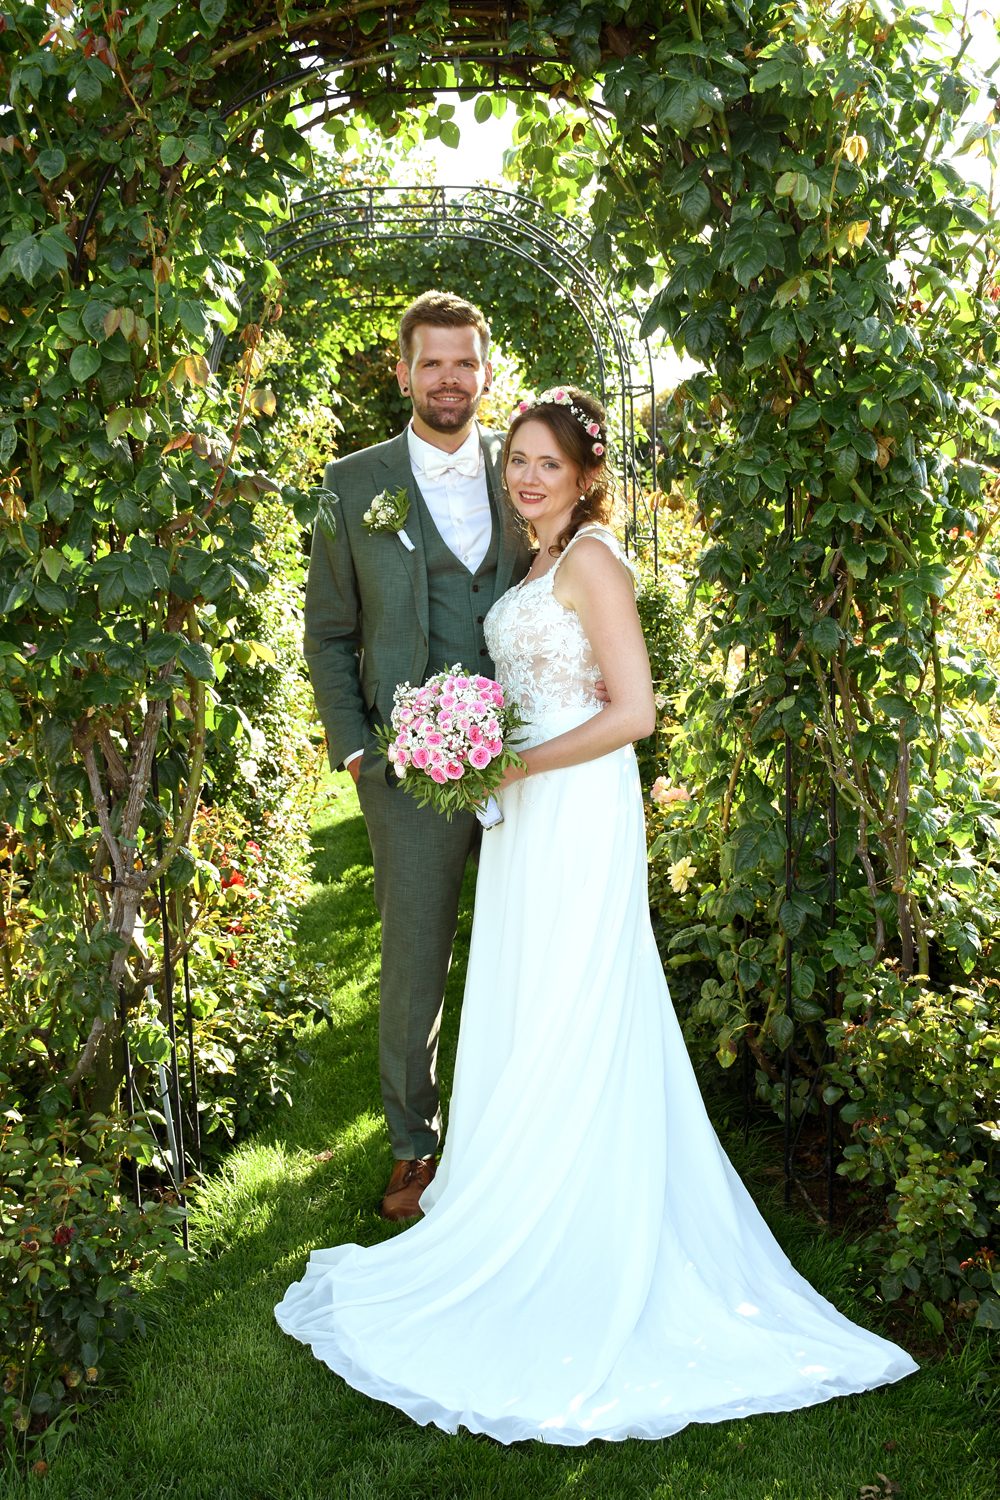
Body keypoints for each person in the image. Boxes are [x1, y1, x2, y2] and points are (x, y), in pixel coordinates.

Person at [276, 385, 918, 1444]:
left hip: (574, 808)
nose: (527, 477)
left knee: (576, 995)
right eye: (518, 460)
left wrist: (518, 762)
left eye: (547, 463)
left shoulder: (593, 560)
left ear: (584, 476)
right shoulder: (534, 562)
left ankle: (577, 1215)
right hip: (527, 812)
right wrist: (473, 743)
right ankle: (516, 1184)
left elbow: (635, 711)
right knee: (528, 997)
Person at [303, 290, 535, 1220]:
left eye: (463, 362)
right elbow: (328, 631)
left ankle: (526, 1131)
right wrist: (355, 750)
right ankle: (413, 1146)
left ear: (486, 371)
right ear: (403, 372)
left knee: (531, 943)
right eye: (431, 362)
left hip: (528, 756)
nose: (448, 378)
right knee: (412, 965)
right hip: (404, 769)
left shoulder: (524, 470)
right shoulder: (351, 482)